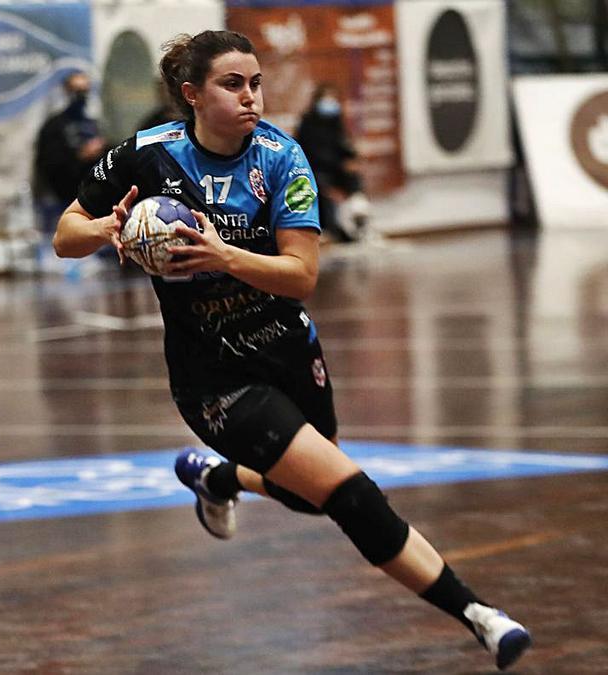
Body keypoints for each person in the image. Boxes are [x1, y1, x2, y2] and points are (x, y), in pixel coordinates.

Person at [53, 30, 531, 671]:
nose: (250, 97)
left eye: (255, 82)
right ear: (192, 95)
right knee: (348, 491)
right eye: (232, 84)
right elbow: (65, 234)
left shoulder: (282, 158)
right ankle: (480, 616)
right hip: (214, 379)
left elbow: (301, 274)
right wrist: (110, 226)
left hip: (286, 348)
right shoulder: (145, 155)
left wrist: (223, 255)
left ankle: (218, 478)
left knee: (306, 496)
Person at [295, 83, 368, 242]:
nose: (330, 102)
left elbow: (341, 145)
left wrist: (351, 157)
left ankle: (356, 223)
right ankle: (329, 229)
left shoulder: (335, 121)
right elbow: (308, 151)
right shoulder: (308, 122)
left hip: (336, 170)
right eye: (326, 98)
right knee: (323, 192)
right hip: (316, 170)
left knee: (354, 182)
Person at [35, 71, 105, 213]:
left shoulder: (93, 124)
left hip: (93, 198)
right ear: (67, 91)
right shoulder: (54, 126)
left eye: (85, 91)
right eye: (77, 91)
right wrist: (80, 155)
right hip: (62, 199)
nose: (81, 96)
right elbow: (48, 163)